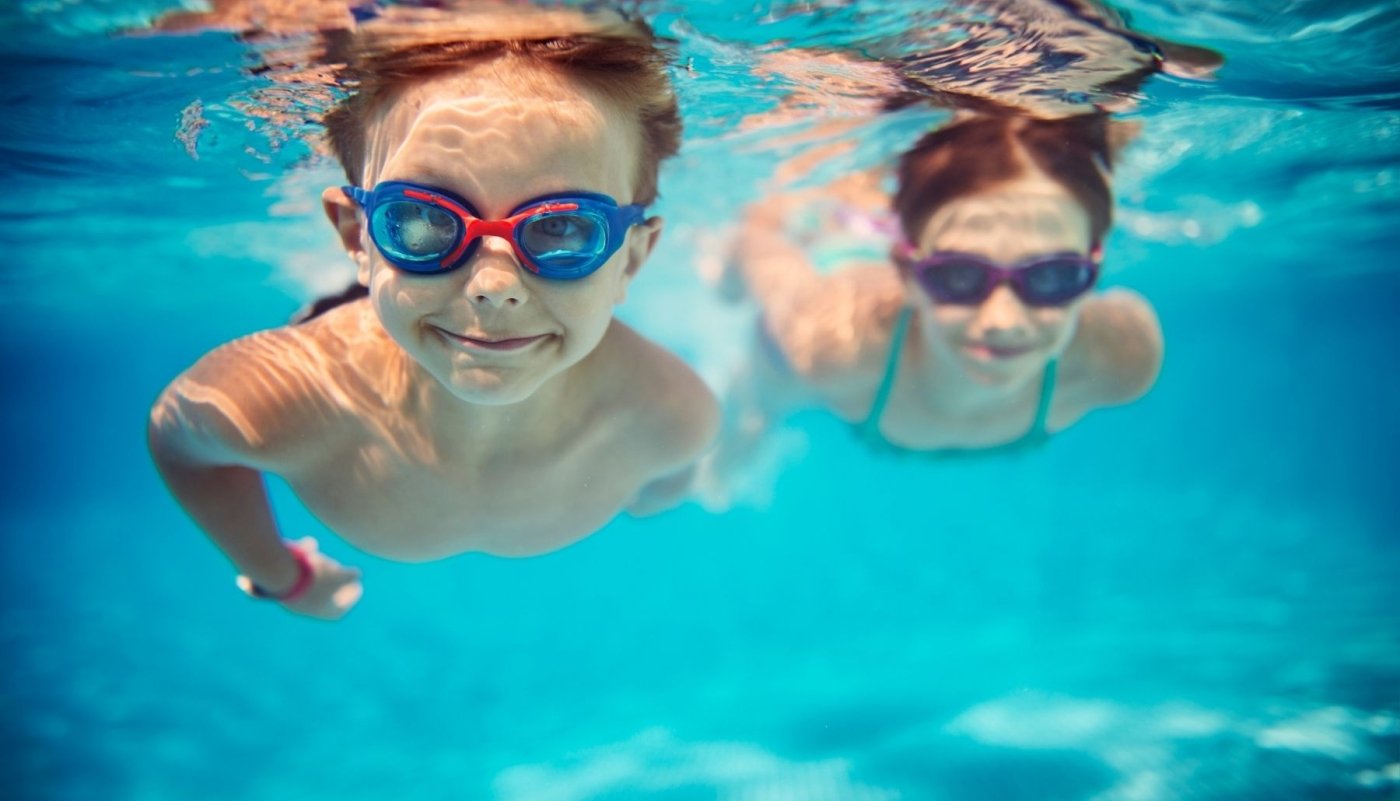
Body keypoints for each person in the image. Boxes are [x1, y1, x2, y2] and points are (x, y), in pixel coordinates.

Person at [147, 5, 719, 620]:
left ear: (632, 260)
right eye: (420, 219)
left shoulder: (670, 417)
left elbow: (669, 480)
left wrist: (658, 487)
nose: (494, 286)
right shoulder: (280, 400)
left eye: (561, 228)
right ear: (356, 238)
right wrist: (278, 576)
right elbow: (178, 443)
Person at [711, 112, 1160, 477]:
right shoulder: (830, 342)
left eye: (1052, 277)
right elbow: (760, 242)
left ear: (1092, 272)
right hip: (842, 253)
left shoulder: (1122, 357)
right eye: (959, 277)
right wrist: (752, 416)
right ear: (905, 273)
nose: (1003, 320)